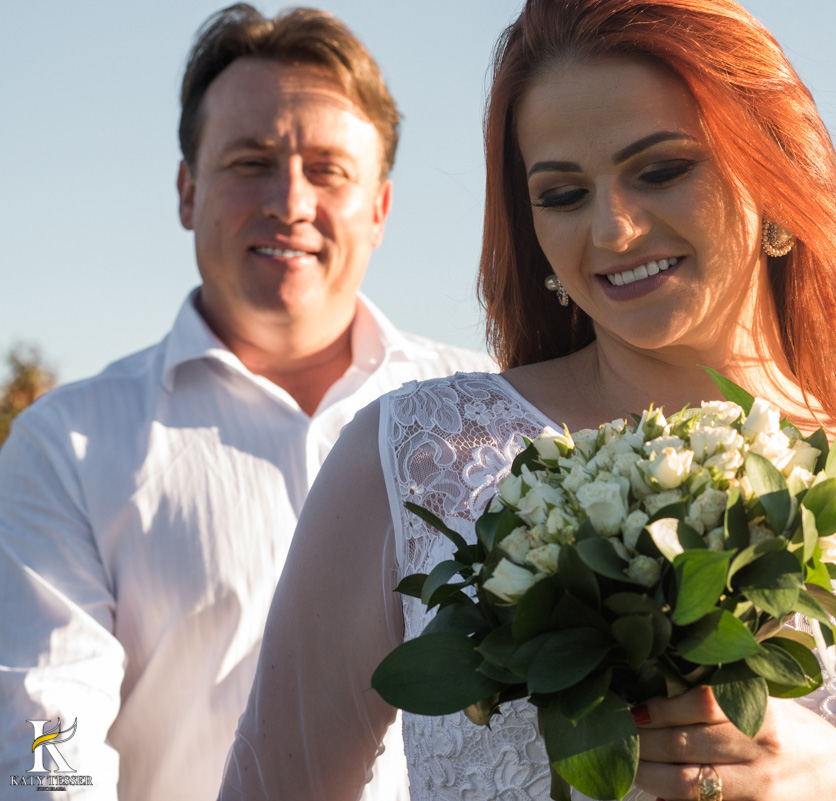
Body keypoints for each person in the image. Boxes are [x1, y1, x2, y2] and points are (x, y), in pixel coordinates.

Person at [219, 1, 836, 799]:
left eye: (661, 170)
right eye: (562, 194)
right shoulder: (417, 459)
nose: (612, 230)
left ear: (780, 182)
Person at [0, 5, 492, 800]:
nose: (289, 201)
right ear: (187, 190)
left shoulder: (487, 417)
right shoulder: (66, 446)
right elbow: (46, 738)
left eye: (328, 168)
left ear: (380, 209)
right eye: (251, 161)